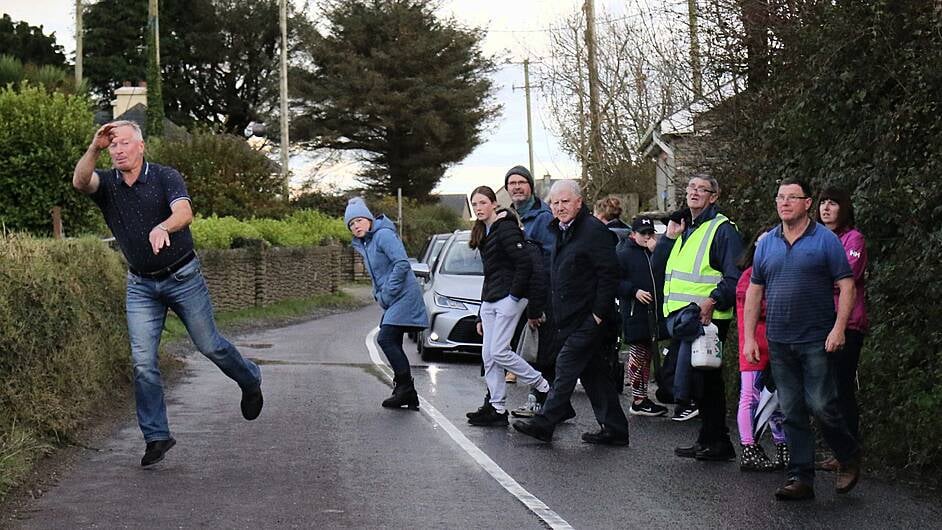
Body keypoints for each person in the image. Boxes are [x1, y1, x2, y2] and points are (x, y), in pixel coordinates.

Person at [72, 121, 263, 467]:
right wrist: (93, 148)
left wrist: (162, 226)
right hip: (141, 285)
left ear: (141, 146)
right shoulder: (108, 184)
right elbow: (80, 182)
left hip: (183, 277)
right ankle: (156, 436)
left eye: (124, 143)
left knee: (210, 345)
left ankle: (250, 380)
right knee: (143, 362)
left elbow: (184, 212)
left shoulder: (164, 176)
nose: (118, 150)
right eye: (113, 145)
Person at [743, 177, 862, 501]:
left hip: (816, 339)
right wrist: (749, 337)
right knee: (792, 410)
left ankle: (848, 455)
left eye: (791, 198)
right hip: (780, 340)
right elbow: (755, 290)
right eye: (780, 197)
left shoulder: (825, 240)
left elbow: (847, 286)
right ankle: (801, 478)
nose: (784, 203)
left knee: (822, 405)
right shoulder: (767, 242)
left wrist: (839, 329)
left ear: (807, 203)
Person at [513, 180, 630, 445]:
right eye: (555, 202)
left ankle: (546, 422)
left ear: (579, 202)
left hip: (590, 318)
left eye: (565, 201)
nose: (559, 207)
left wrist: (598, 314)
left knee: (565, 364)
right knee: (593, 373)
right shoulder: (559, 230)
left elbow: (609, 274)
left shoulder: (593, 231)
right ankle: (615, 429)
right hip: (568, 317)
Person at [653, 174, 743, 460]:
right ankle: (712, 439)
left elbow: (735, 276)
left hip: (708, 318)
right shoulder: (685, 228)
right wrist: (669, 237)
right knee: (705, 381)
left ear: (713, 197)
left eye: (700, 189)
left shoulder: (722, 230)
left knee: (702, 380)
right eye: (690, 187)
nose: (693, 192)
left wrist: (713, 301)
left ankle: (716, 440)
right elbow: (660, 268)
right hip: (684, 320)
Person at [463, 186, 552, 426]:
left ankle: (542, 385)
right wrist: (482, 311)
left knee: (500, 351)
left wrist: (514, 297)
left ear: (494, 203)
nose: (478, 208)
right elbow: (489, 273)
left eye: (482, 203)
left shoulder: (505, 228)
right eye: (475, 204)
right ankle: (497, 408)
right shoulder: (483, 232)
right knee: (488, 355)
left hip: (509, 298)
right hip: (491, 299)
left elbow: (525, 264)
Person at [345, 197, 429, 410]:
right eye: (351, 224)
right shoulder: (366, 243)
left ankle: (406, 389)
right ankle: (405, 392)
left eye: (359, 221)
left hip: (404, 295)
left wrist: (387, 294)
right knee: (393, 340)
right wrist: (377, 294)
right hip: (392, 298)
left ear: (369, 219)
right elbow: (376, 274)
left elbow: (401, 264)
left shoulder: (383, 235)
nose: (356, 226)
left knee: (385, 338)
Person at [816, 186, 868, 471]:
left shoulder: (854, 239)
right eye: (823, 202)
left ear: (843, 208)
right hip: (819, 323)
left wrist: (814, 277)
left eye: (833, 203)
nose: (826, 208)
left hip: (848, 324)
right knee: (824, 390)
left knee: (841, 388)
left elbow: (845, 276)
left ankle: (849, 452)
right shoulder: (816, 238)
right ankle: (839, 450)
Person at [504, 166, 558, 417]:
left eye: (521, 182)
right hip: (518, 294)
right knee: (527, 350)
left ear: (530, 186)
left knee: (539, 352)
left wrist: (540, 299)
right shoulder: (508, 216)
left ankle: (538, 401)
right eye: (511, 183)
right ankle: (558, 404)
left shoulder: (543, 217)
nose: (516, 187)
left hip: (541, 293)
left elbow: (546, 260)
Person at [735, 235, 788, 472]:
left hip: (776, 344)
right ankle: (749, 446)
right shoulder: (750, 277)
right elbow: (756, 306)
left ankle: (782, 445)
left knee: (776, 399)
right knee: (751, 396)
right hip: (755, 344)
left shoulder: (775, 275)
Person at [615, 216, 668, 417]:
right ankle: (638, 398)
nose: (647, 237)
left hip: (653, 311)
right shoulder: (623, 253)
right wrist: (634, 291)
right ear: (633, 234)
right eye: (643, 233)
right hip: (634, 311)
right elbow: (614, 281)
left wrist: (657, 251)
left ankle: (643, 396)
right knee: (638, 352)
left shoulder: (653, 251)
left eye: (650, 233)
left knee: (647, 352)